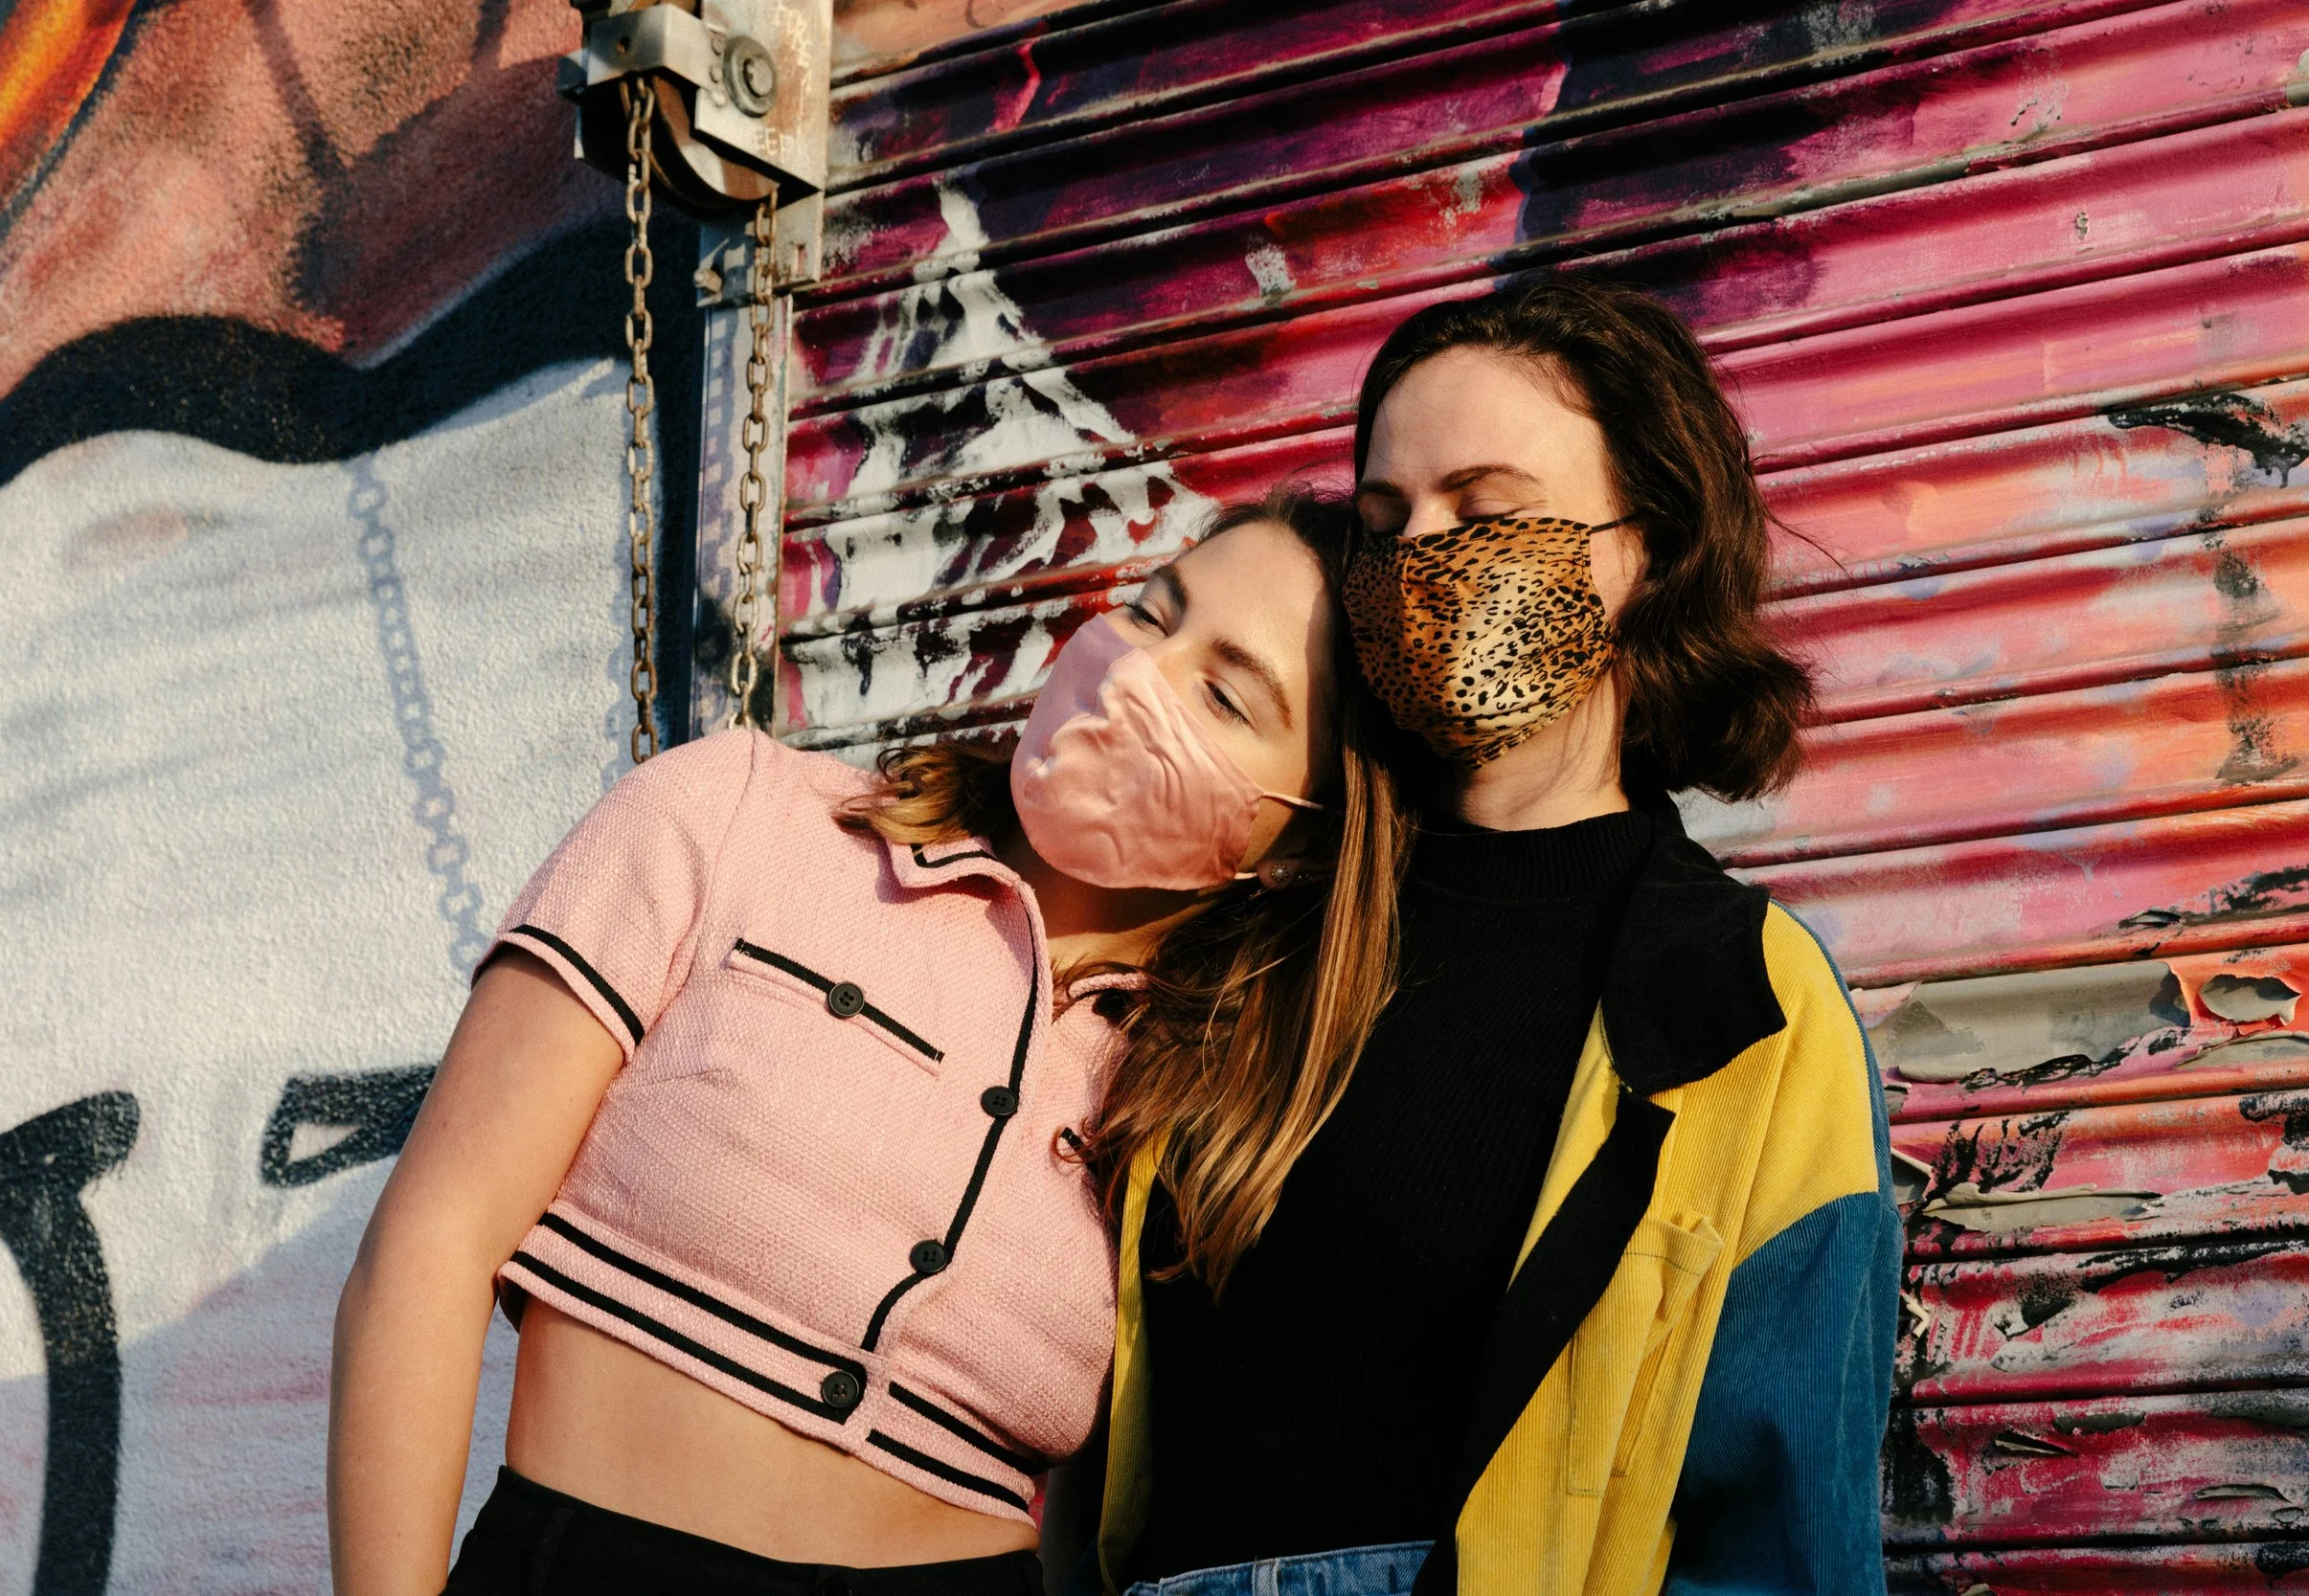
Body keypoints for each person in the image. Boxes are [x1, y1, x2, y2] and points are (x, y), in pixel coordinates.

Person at [326, 489, 1413, 1596]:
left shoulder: (1225, 1104)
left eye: (1223, 693)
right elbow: (431, 1240)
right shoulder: (738, 812)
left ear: (1298, 842)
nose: (1139, 672)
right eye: (1151, 611)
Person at [1091, 277, 1901, 1596]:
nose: (1420, 556)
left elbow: (1782, 1529)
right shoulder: (1258, 925)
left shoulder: (1742, 1000)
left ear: (1646, 550)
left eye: (1484, 510)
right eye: (1383, 521)